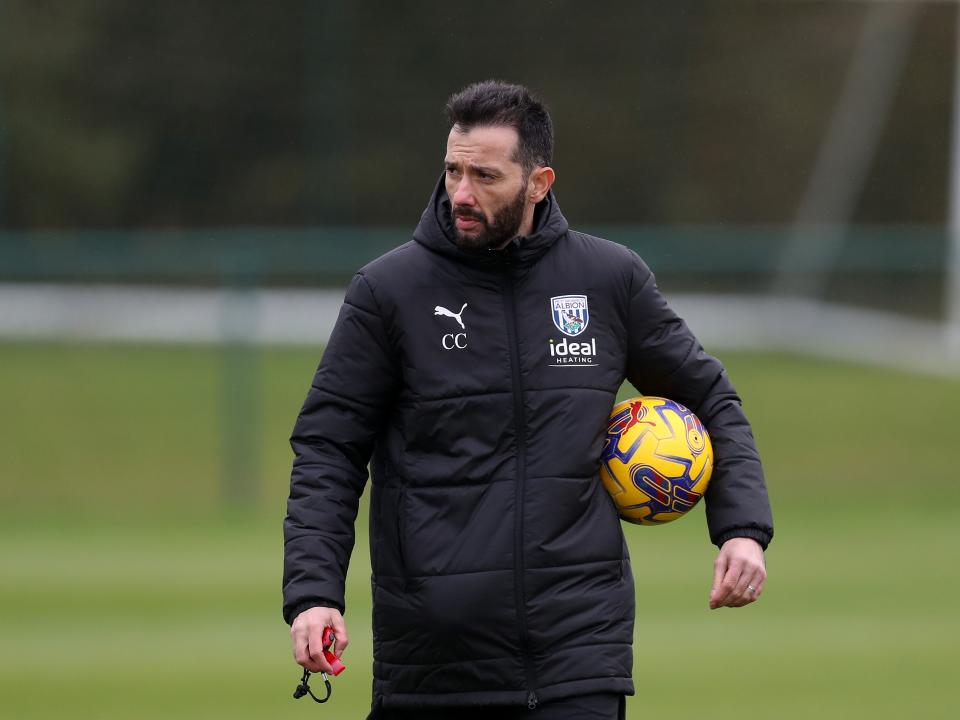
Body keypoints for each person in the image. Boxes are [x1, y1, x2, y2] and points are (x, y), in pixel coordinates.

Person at [283, 80, 774, 720]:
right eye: (453, 170)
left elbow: (711, 395)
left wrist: (741, 528)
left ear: (539, 182)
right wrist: (315, 593)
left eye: (485, 176)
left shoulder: (608, 280)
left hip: (577, 656)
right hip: (434, 659)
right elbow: (329, 449)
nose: (461, 193)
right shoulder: (389, 291)